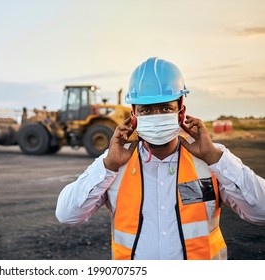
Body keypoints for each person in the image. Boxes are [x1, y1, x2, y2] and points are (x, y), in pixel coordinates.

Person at [55, 57, 265, 260]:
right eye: (146, 110)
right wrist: (108, 165)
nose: (156, 116)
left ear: (181, 112)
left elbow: (261, 213)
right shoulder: (113, 164)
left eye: (165, 108)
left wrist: (216, 159)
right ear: (134, 115)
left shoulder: (211, 160)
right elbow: (67, 215)